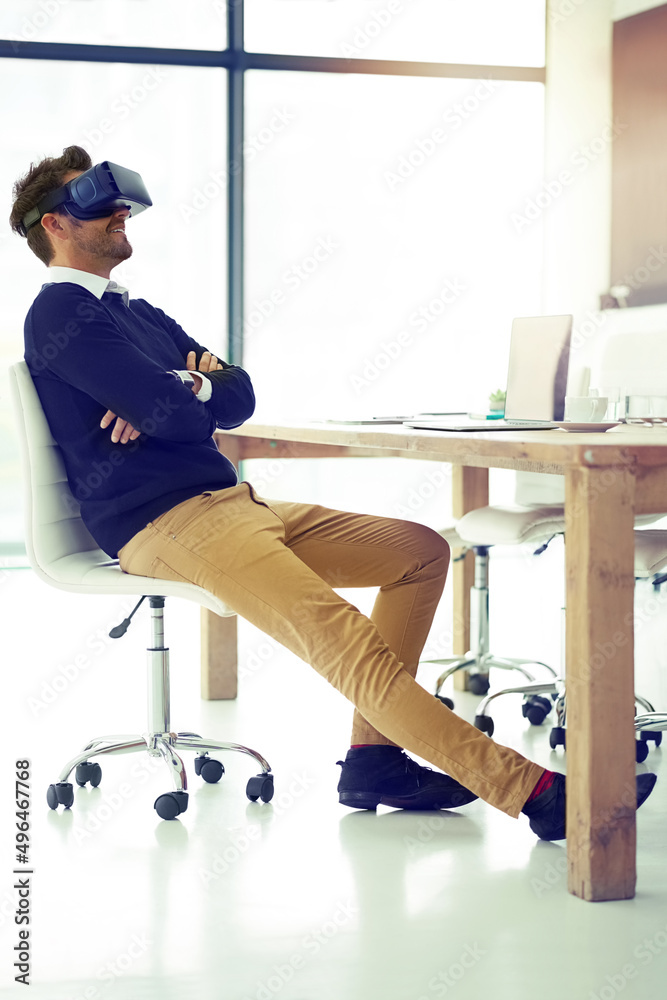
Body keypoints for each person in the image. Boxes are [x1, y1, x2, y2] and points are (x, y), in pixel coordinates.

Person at [10, 146, 656, 840]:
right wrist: (177, 394)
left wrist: (186, 386)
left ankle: (371, 760)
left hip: (233, 506)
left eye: (120, 204)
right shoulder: (59, 317)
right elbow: (180, 416)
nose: (118, 214)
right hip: (167, 526)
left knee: (418, 550)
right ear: (55, 225)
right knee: (347, 643)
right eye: (97, 206)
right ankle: (534, 793)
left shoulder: (135, 312)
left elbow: (237, 397)